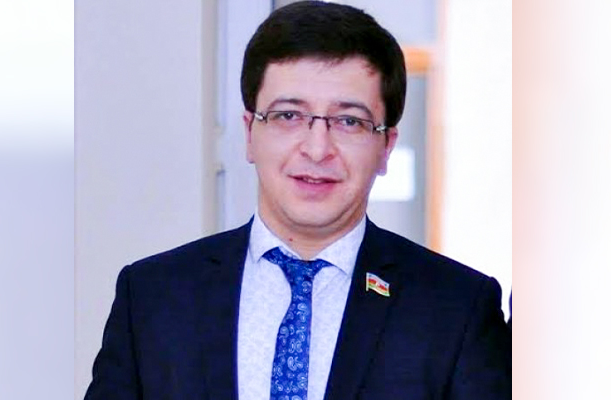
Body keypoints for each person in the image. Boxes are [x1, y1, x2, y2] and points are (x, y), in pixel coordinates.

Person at [84, 2, 511, 399]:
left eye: (349, 121)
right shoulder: (153, 297)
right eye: (288, 115)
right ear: (250, 133)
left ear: (386, 147)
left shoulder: (458, 309)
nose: (317, 149)